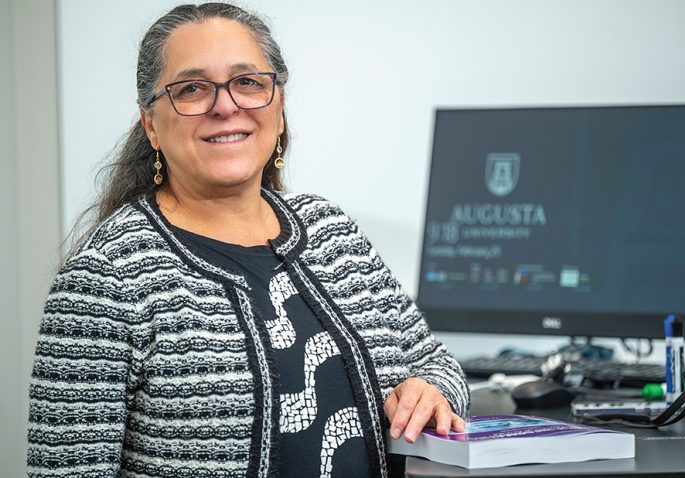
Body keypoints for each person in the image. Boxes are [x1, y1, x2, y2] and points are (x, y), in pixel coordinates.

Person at [27, 3, 469, 477]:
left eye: (248, 82)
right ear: (151, 124)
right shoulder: (106, 276)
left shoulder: (331, 230)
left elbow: (437, 362)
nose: (225, 105)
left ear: (278, 109)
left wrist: (431, 387)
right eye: (192, 89)